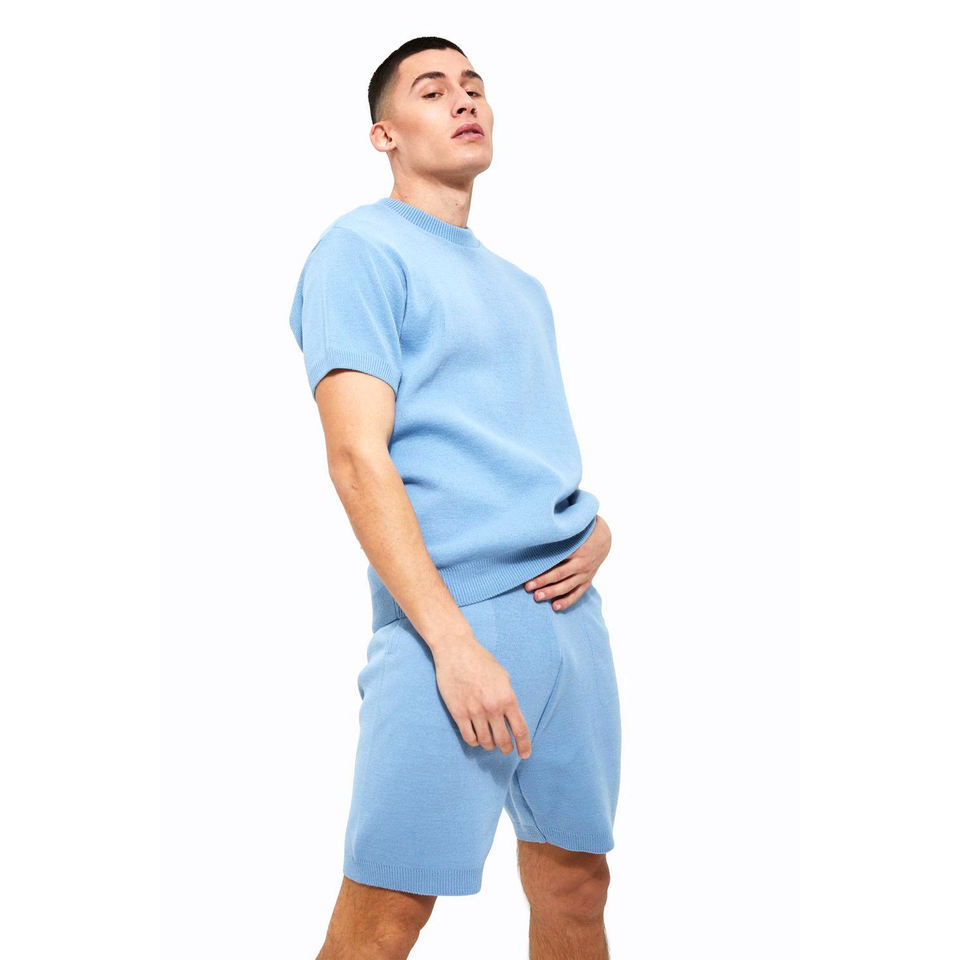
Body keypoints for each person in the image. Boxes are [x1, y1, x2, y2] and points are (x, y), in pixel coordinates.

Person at [288, 36, 622, 960]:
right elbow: (356, 459)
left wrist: (596, 528)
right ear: (384, 134)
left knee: (577, 885)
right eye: (432, 90)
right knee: (387, 913)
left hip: (570, 622)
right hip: (453, 623)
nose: (464, 100)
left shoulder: (523, 287)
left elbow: (518, 443)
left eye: (473, 86)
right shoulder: (359, 251)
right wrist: (453, 644)